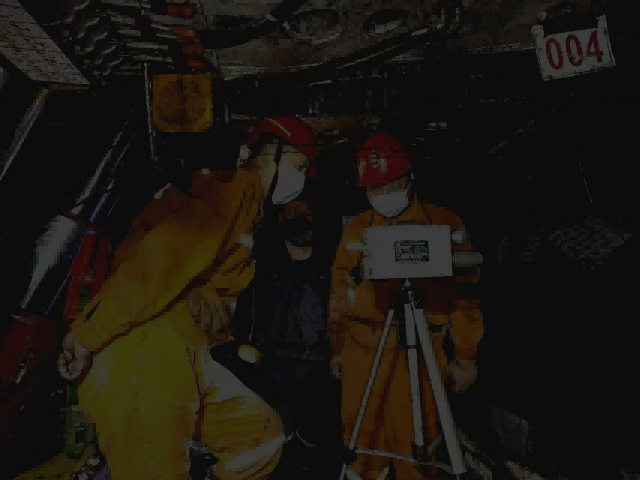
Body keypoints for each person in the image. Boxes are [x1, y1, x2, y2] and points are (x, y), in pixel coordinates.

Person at [57, 116, 316, 480]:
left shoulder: (248, 211)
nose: (300, 178)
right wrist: (86, 336)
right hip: (145, 351)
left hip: (184, 352)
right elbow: (159, 261)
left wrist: (200, 291)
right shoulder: (231, 189)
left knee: (259, 438)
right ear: (270, 152)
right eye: (299, 165)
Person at [328, 132, 484, 480]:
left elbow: (466, 298)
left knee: (418, 436)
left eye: (391, 184)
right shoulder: (356, 229)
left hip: (423, 349)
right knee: (362, 434)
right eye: (375, 188)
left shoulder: (444, 223)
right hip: (363, 349)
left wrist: (466, 356)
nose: (383, 194)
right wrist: (337, 347)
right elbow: (339, 293)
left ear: (409, 178)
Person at [230, 186, 342, 479]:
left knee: (319, 443)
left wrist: (339, 353)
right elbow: (246, 312)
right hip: (272, 368)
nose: (303, 219)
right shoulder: (264, 265)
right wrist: (245, 349)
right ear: (282, 218)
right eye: (296, 213)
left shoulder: (332, 264)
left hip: (320, 368)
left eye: (308, 213)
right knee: (276, 441)